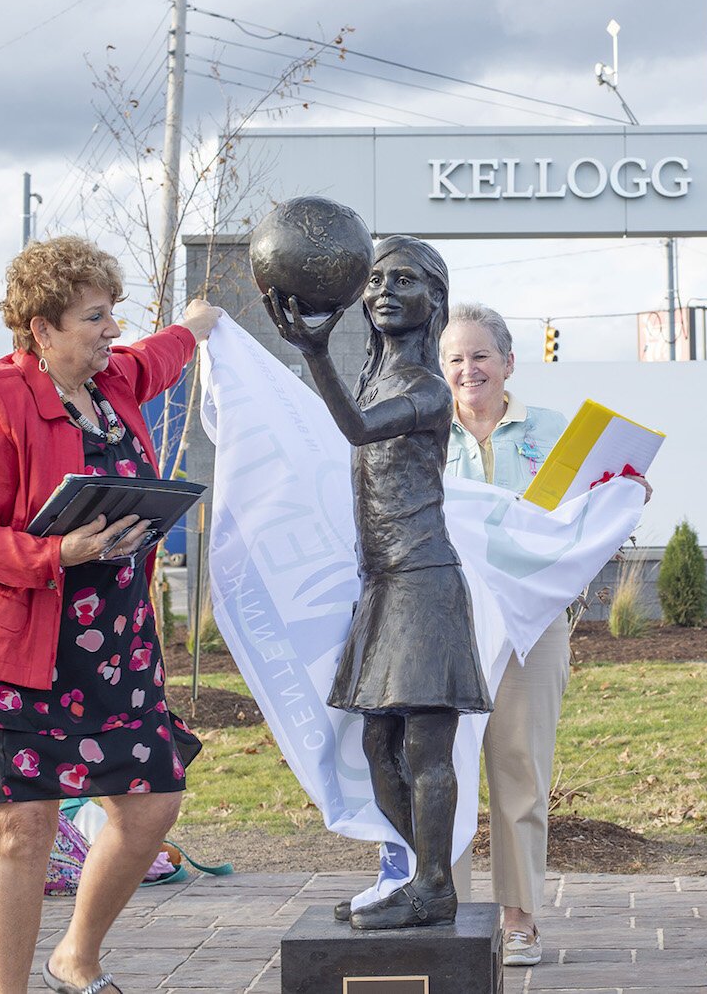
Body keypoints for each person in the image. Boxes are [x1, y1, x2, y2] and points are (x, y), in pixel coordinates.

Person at [0, 237, 220, 994]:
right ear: (41, 328)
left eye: (112, 313)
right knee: (22, 828)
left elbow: (161, 354)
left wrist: (197, 324)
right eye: (94, 317)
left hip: (115, 643)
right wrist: (56, 553)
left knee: (154, 801)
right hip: (17, 643)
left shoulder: (115, 377)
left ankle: (75, 955)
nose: (111, 329)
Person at [267, 235, 487, 931]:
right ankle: (420, 872)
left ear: (435, 301)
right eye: (377, 279)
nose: (385, 290)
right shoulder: (376, 376)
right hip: (384, 583)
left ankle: (434, 887)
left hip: (422, 579)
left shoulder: (424, 387)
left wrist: (310, 350)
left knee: (424, 743)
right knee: (376, 744)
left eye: (405, 280)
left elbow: (358, 430)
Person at [437, 303, 572, 964]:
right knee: (445, 769)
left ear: (508, 362)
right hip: (445, 626)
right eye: (456, 358)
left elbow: (590, 502)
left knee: (519, 766)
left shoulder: (551, 431)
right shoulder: (423, 438)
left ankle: (517, 917)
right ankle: (452, 915)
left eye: (481, 354)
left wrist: (625, 492)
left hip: (529, 625)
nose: (469, 368)